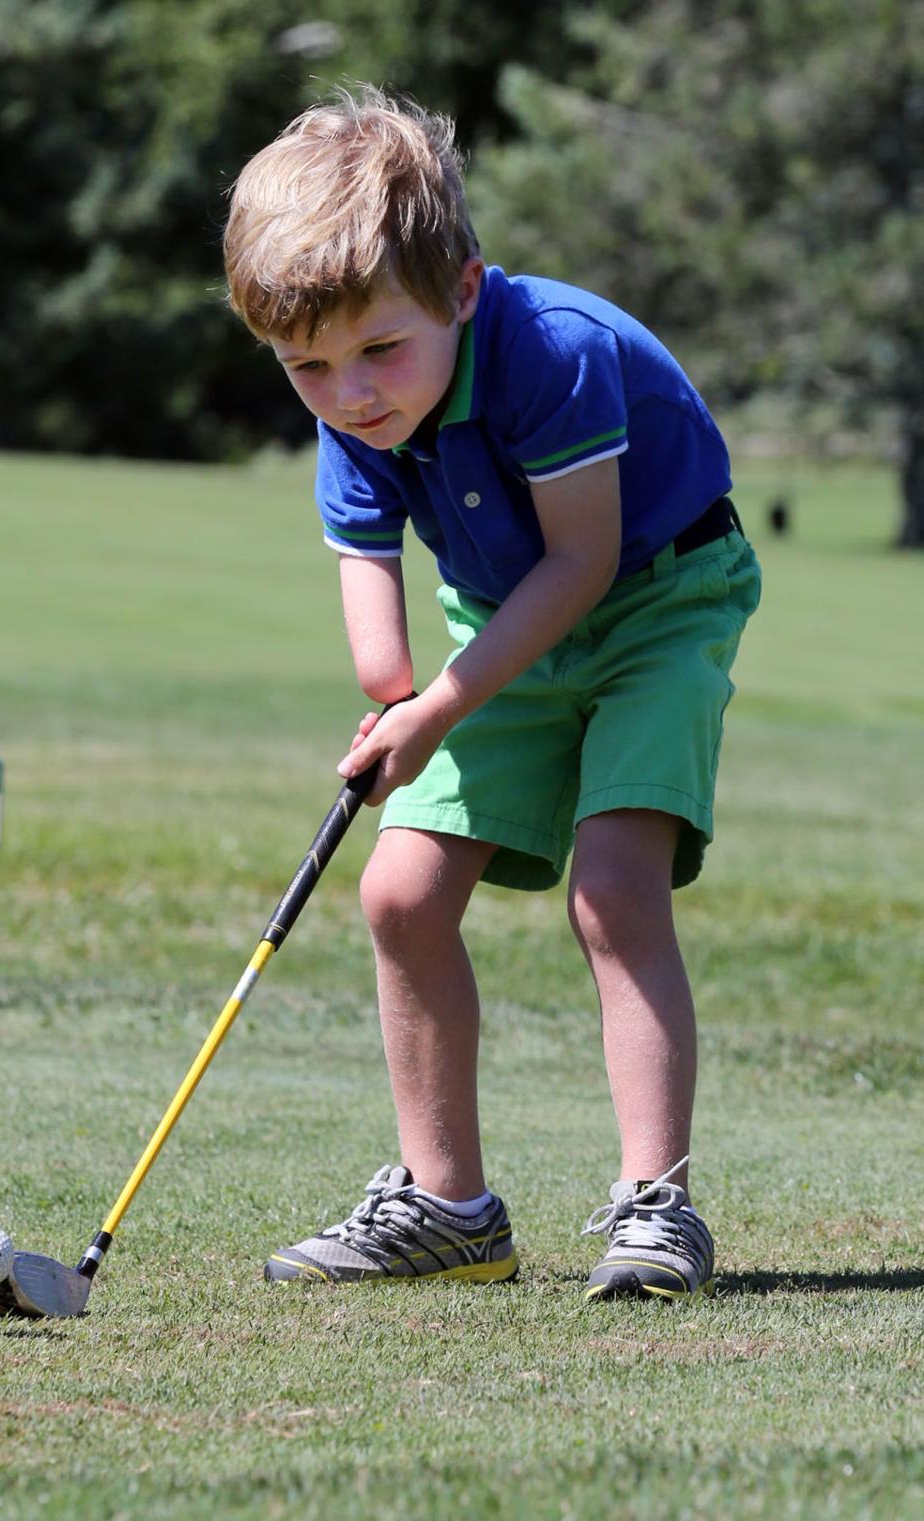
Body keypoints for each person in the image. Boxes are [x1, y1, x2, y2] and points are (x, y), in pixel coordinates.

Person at [222, 86, 760, 1300]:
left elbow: (581, 566)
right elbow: (367, 565)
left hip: (656, 600)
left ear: (461, 289)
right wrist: (390, 702)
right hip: (503, 612)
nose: (351, 394)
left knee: (614, 890)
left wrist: (439, 713)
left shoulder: (553, 354)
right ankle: (450, 1210)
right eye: (305, 367)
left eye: (376, 352)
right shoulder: (350, 406)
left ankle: (654, 1207)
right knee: (400, 894)